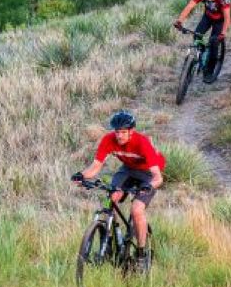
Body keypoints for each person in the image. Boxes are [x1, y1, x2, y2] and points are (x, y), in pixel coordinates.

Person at [71, 110, 165, 273]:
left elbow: (158, 177)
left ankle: (141, 254)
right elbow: (96, 167)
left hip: (148, 173)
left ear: (131, 131)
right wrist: (82, 175)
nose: (119, 136)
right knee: (111, 197)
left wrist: (149, 186)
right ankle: (107, 238)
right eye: (117, 132)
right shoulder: (108, 140)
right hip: (127, 169)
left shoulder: (142, 142)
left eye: (123, 132)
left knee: (136, 210)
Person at [173, 0, 231, 84]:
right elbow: (189, 6)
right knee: (197, 35)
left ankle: (209, 72)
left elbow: (227, 17)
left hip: (220, 20)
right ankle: (199, 56)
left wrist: (223, 33)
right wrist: (179, 21)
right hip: (208, 17)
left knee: (214, 42)